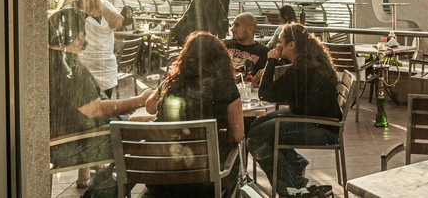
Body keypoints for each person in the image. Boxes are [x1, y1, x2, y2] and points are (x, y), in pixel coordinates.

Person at [48, 8, 152, 197]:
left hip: (63, 137)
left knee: (140, 126)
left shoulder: (50, 60)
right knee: (145, 141)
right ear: (78, 35)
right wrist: (139, 100)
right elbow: (95, 109)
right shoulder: (68, 68)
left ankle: (96, 193)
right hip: (71, 144)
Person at [144, 31, 244, 197]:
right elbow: (238, 135)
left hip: (161, 182)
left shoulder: (171, 82)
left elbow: (149, 107)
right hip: (205, 184)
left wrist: (165, 85)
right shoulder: (226, 86)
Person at [246, 23, 341, 196]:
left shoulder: (301, 69)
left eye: (281, 42)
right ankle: (295, 163)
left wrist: (272, 60)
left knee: (255, 138)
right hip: (318, 119)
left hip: (321, 128)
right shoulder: (311, 61)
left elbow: (265, 94)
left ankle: (294, 188)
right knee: (257, 124)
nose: (277, 46)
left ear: (291, 45)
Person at [55, 0, 125, 188]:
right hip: (83, 69)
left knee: (100, 120)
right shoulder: (70, 10)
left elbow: (118, 23)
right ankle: (83, 171)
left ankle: (95, 161)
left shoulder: (106, 6)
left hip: (106, 68)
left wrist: (99, 3)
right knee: (85, 121)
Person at [170, 0, 234, 46]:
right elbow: (222, 21)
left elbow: (188, 14)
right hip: (206, 36)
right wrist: (222, 39)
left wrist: (175, 31)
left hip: (189, 34)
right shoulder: (224, 0)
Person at [224, 12, 270, 79]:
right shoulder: (224, 45)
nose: (232, 29)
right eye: (232, 25)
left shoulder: (264, 53)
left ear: (250, 29)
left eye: (236, 25)